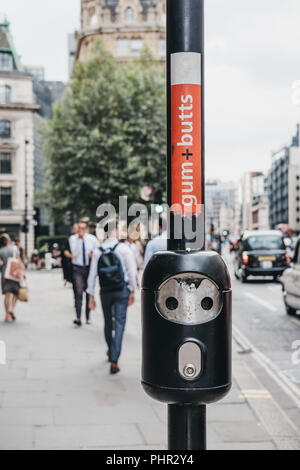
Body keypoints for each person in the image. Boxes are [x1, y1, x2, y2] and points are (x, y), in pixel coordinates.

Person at [87, 221, 136, 374]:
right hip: (121, 290)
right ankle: (114, 359)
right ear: (115, 231)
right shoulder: (124, 249)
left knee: (108, 322)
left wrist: (91, 296)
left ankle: (110, 349)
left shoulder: (98, 251)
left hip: (105, 291)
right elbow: (131, 272)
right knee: (120, 323)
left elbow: (92, 275)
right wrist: (133, 290)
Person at [64, 221, 99, 326]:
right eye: (79, 228)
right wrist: (70, 255)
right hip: (77, 268)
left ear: (86, 229)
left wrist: (92, 254)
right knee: (78, 293)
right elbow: (67, 251)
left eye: (83, 228)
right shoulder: (72, 239)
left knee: (89, 292)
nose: (81, 230)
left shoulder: (92, 239)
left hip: (88, 268)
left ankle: (88, 317)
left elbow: (98, 252)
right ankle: (78, 317)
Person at [0, 235, 22, 322]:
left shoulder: (0, 251)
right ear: (7, 241)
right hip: (14, 272)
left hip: (5, 274)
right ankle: (12, 308)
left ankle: (6, 314)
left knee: (7, 294)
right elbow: (19, 260)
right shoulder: (15, 249)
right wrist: (22, 272)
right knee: (16, 293)